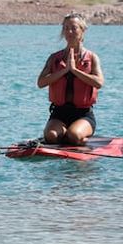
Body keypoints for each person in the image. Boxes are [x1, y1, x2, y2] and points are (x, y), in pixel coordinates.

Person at [37, 13, 104, 145]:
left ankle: (81, 138)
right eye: (66, 28)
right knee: (51, 136)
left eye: (73, 28)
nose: (69, 32)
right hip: (59, 113)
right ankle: (65, 135)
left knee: (73, 136)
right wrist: (64, 70)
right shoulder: (54, 58)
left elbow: (99, 82)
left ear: (82, 30)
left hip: (83, 114)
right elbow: (41, 83)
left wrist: (75, 70)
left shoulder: (92, 57)